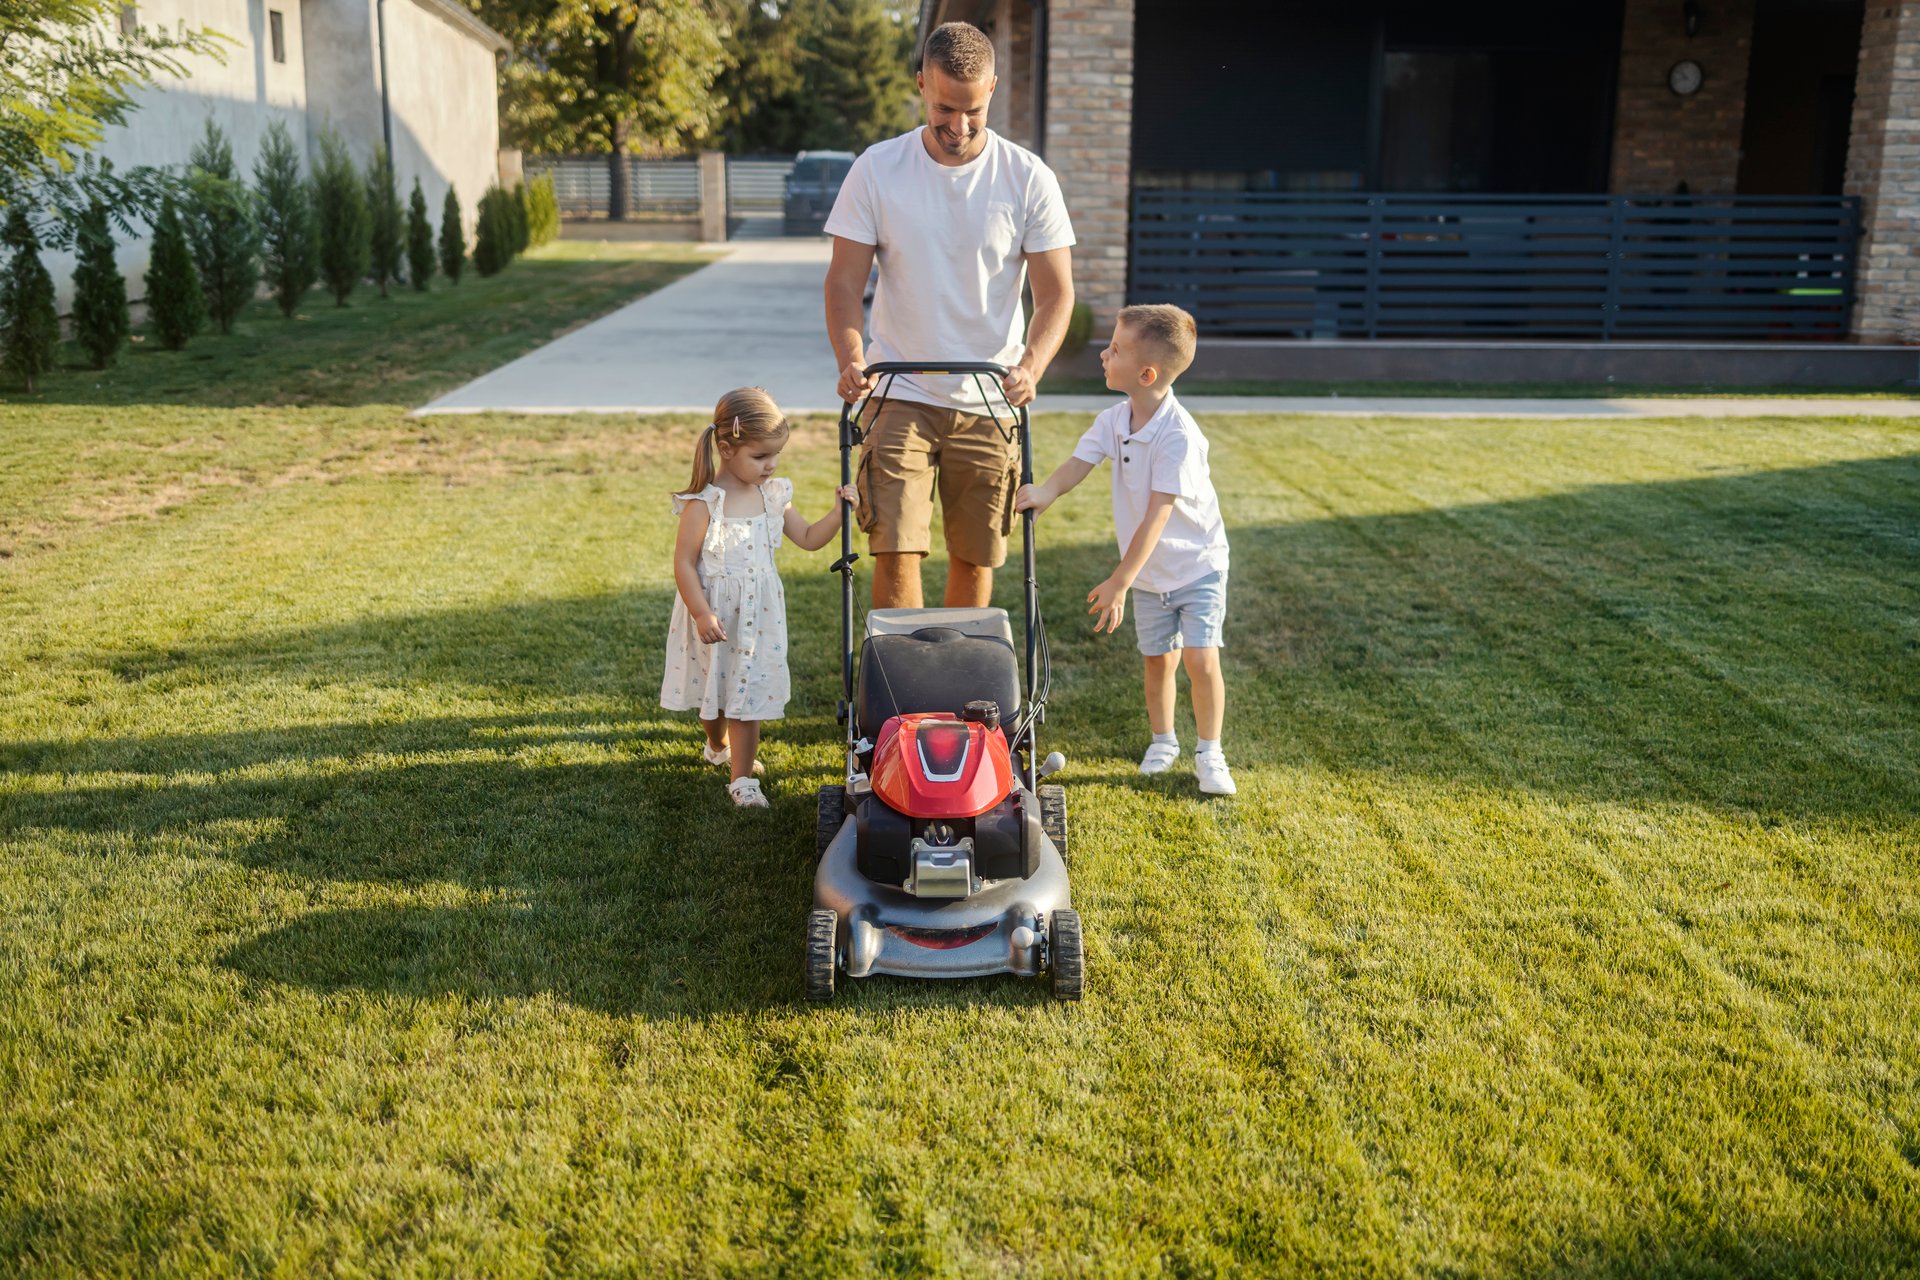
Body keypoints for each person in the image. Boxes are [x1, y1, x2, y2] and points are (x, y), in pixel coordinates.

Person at [822, 20, 1076, 611]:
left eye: (972, 112)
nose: (958, 127)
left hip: (988, 396)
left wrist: (1032, 366)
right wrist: (851, 355)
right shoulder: (878, 169)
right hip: (898, 388)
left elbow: (1056, 294)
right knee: (895, 544)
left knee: (975, 550)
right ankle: (903, 690)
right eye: (943, 109)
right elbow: (843, 280)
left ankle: (960, 686)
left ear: (991, 88)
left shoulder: (1027, 177)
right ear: (921, 86)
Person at [1014, 305, 1236, 796]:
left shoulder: (1178, 435)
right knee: (1158, 660)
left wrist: (1119, 581)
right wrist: (1047, 491)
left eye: (1114, 349)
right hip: (1151, 576)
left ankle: (1210, 752)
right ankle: (1163, 741)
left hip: (1195, 566)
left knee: (1201, 659)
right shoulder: (1115, 420)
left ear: (1146, 373)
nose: (1103, 353)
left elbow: (1158, 516)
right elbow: (1080, 462)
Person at [661, 387, 858, 808]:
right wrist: (700, 612)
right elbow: (683, 563)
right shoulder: (704, 504)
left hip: (758, 615)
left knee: (745, 697)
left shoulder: (773, 497)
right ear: (727, 448)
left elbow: (807, 539)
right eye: (761, 456)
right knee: (713, 697)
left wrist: (841, 513)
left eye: (776, 456)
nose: (771, 465)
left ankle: (743, 781)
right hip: (714, 612)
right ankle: (717, 746)